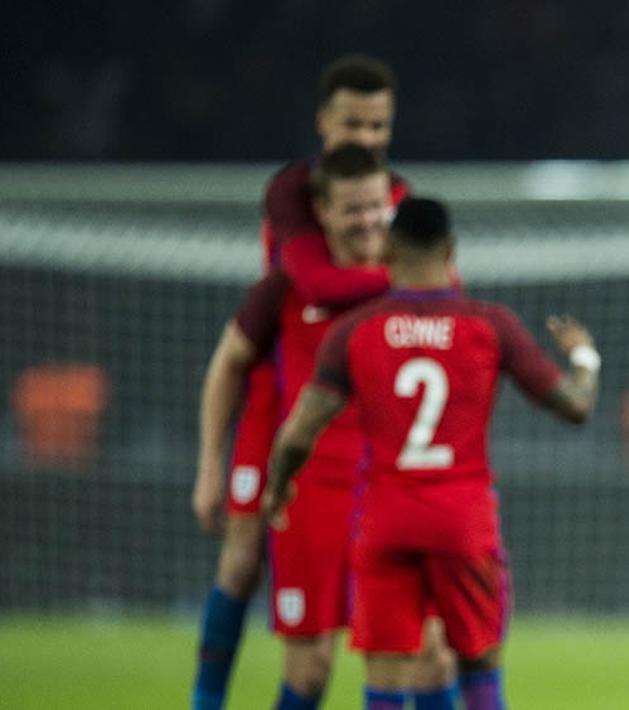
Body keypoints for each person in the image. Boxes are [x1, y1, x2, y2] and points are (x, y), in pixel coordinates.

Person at [188, 57, 455, 710]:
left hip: (370, 443)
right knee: (245, 554)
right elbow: (315, 283)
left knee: (421, 642)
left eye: (377, 126)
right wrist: (406, 287)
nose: (364, 139)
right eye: (351, 125)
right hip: (280, 402)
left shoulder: (400, 198)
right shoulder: (293, 194)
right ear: (322, 124)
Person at [262, 197, 600, 710]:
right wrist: (583, 355)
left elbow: (297, 434)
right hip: (461, 517)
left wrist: (278, 485)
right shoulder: (490, 325)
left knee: (384, 672)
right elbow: (575, 408)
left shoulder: (355, 329)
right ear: (451, 249)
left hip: (386, 516)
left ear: (390, 249)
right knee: (478, 661)